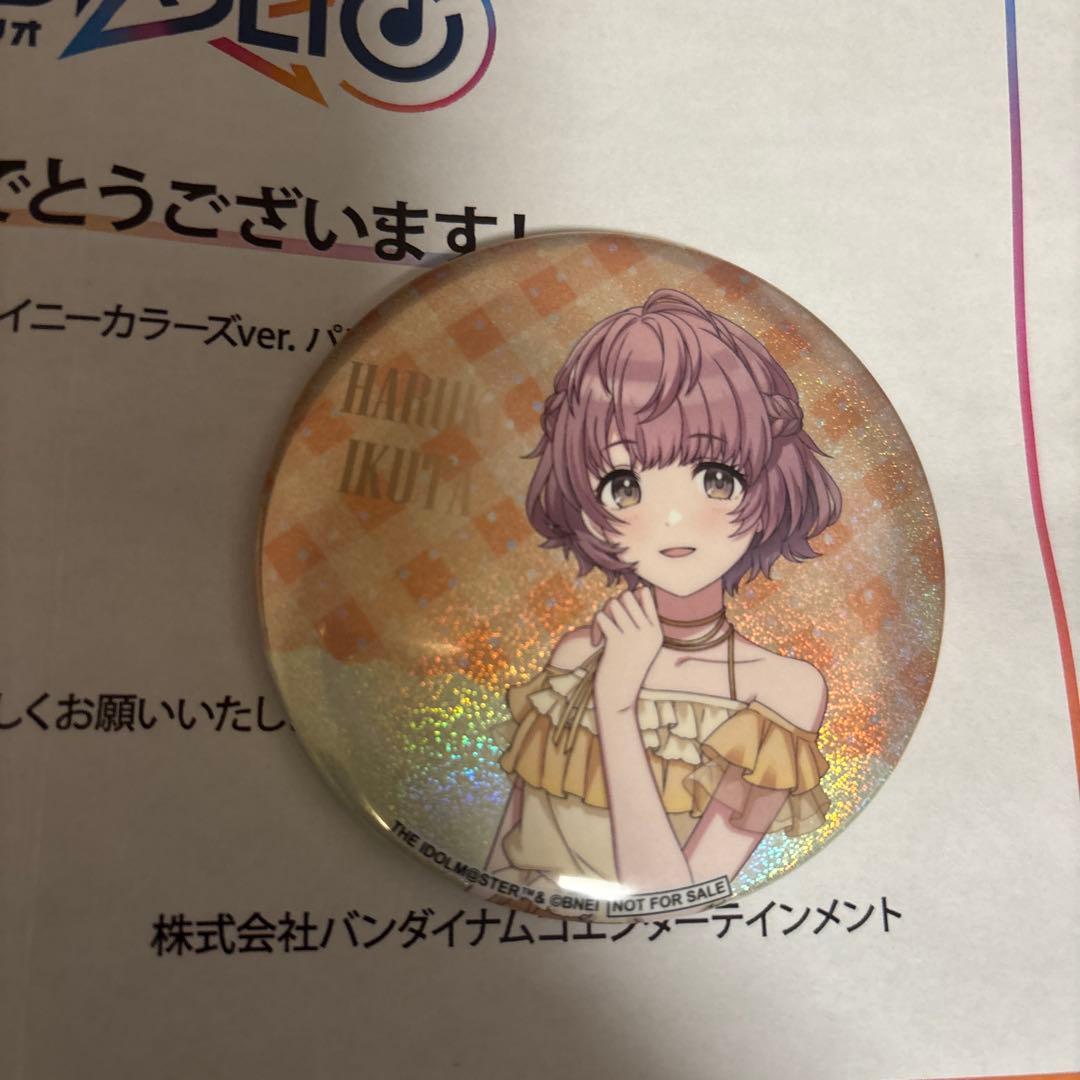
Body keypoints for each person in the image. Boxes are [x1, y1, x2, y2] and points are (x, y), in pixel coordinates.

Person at [485, 288, 842, 899]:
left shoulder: (782, 691)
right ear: (586, 508)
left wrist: (618, 705)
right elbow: (500, 869)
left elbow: (679, 899)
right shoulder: (576, 657)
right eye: (623, 485)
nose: (672, 520)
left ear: (771, 484)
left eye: (717, 478)